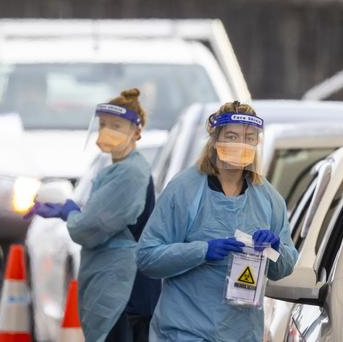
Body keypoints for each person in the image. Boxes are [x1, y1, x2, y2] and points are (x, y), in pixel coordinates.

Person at [136, 101, 298, 341]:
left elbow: (283, 267)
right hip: (185, 331)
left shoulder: (268, 199)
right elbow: (147, 256)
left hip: (241, 333)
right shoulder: (185, 190)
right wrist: (202, 250)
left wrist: (276, 249)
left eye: (249, 138)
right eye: (231, 136)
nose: (241, 145)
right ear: (214, 140)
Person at [30, 88, 156, 342]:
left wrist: (72, 214)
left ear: (136, 132)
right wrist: (71, 212)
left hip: (122, 284)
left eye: (117, 126)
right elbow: (102, 217)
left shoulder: (130, 172)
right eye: (104, 125)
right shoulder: (119, 169)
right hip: (115, 281)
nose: (108, 131)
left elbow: (93, 226)